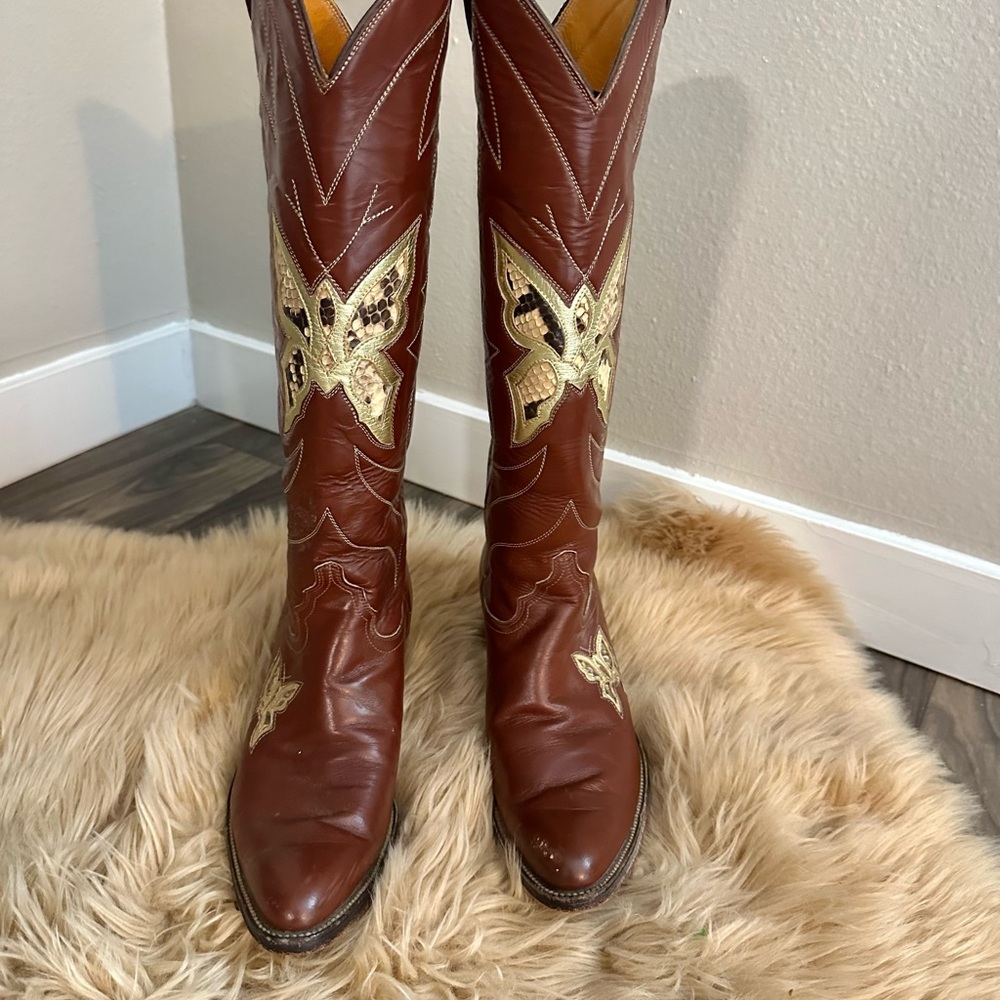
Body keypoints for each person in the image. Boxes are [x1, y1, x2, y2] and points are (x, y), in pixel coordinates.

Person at [227, 0, 671, 952]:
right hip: (337, 587)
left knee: (567, 314)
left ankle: (544, 606)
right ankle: (340, 616)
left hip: (547, 574)